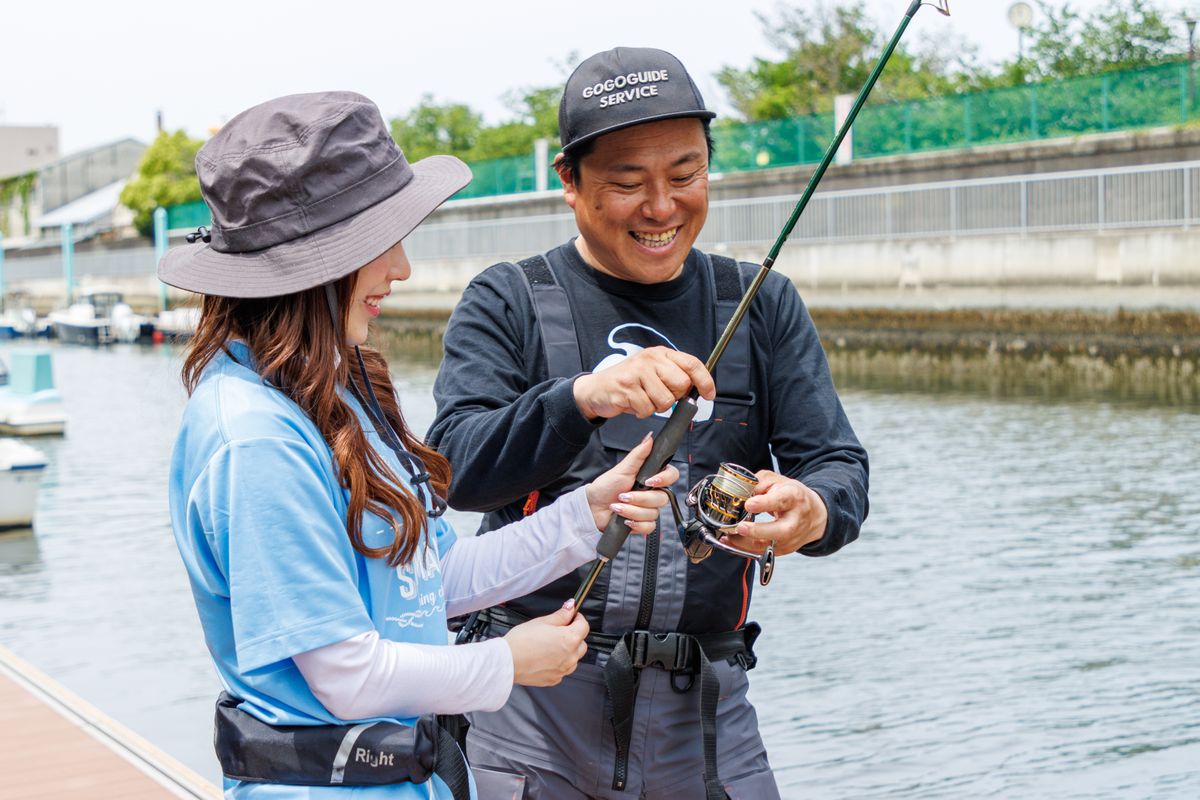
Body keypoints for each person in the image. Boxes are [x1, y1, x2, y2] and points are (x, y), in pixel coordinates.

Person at [160, 91, 678, 800]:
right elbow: (345, 676)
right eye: (382, 242)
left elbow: (434, 580)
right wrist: (505, 664)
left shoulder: (337, 393)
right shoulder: (255, 438)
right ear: (320, 262)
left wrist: (586, 515)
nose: (401, 269)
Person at [429, 48, 870, 799]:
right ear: (568, 181)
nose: (662, 207)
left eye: (686, 175)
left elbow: (838, 466)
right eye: (628, 184)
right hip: (533, 699)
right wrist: (582, 399)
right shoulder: (507, 299)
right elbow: (453, 471)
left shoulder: (761, 302)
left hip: (710, 705)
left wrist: (811, 509)